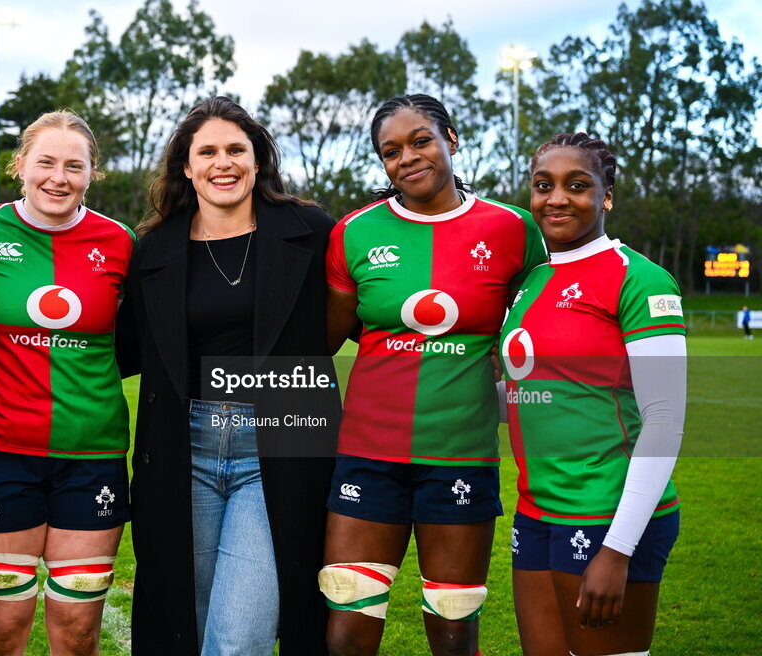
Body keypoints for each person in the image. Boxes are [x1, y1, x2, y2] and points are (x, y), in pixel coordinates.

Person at [322, 93, 546, 656]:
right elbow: (332, 334)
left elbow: (533, 331)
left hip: (460, 451)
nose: (407, 158)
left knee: (453, 624)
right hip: (368, 452)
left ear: (452, 139)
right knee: (348, 622)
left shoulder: (513, 229)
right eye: (390, 151)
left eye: (420, 140)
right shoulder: (353, 232)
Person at [115, 96, 339, 656]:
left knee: (239, 637)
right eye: (207, 151)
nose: (224, 162)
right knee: (183, 626)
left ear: (258, 159)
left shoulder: (309, 231)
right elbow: (122, 350)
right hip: (181, 446)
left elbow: (364, 309)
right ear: (186, 167)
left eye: (236, 149)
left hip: (282, 435)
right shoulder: (155, 249)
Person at [0, 110, 134, 656]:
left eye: (74, 166)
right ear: (20, 166)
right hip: (1, 453)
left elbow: (136, 340)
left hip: (92, 453)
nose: (59, 177)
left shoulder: (119, 241)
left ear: (91, 173)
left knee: (77, 631)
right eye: (46, 162)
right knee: (2, 630)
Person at [500, 132, 685, 656]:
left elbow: (665, 417)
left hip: (609, 516)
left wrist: (617, 548)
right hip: (536, 512)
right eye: (543, 185)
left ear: (606, 196)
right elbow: (528, 392)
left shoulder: (640, 280)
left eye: (577, 185)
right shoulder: (531, 281)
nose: (556, 198)